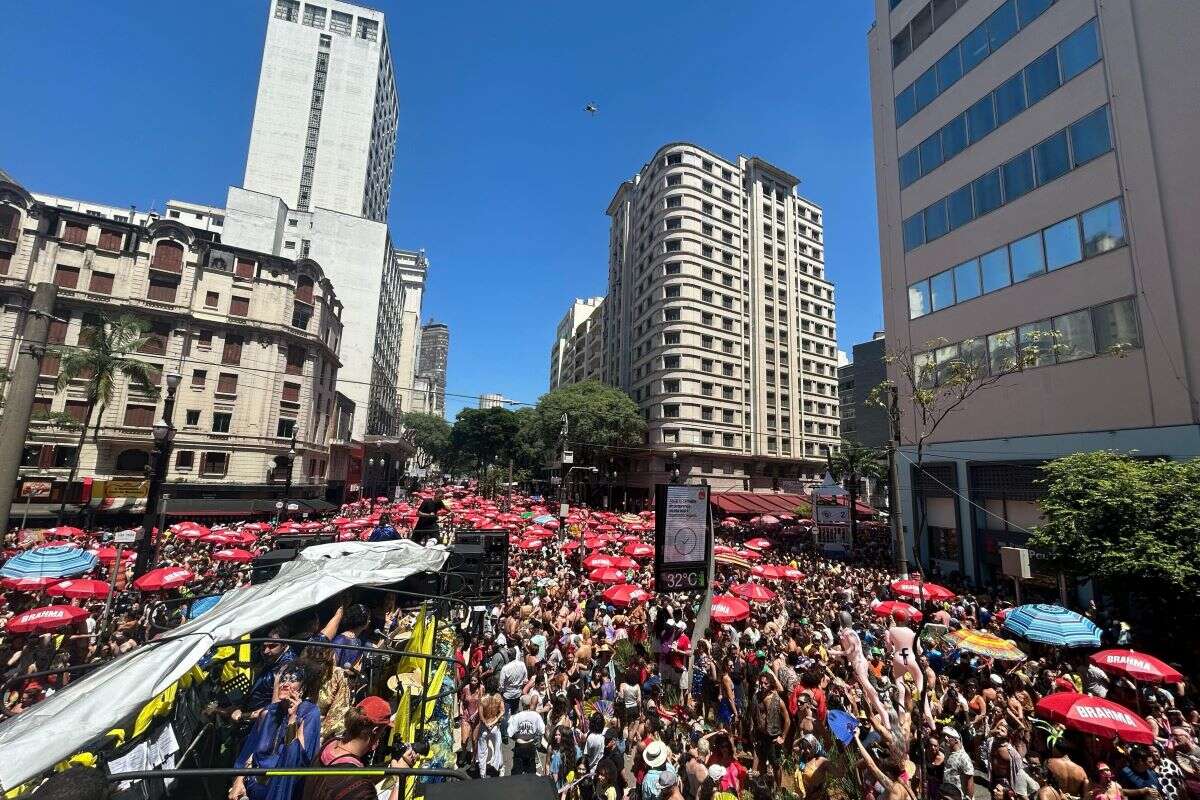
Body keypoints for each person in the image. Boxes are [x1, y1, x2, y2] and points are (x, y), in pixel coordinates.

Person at [230, 662, 322, 800]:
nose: (285, 684)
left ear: (303, 687)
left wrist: (292, 718)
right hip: (253, 787)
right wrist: (239, 781)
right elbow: (251, 752)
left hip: (282, 789)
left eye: (293, 680)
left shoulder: (309, 713)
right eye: (283, 679)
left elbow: (296, 758)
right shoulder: (270, 712)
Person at [301, 697, 414, 800]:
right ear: (375, 731)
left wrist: (390, 766)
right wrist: (400, 778)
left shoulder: (330, 744)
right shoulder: (358, 788)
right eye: (382, 732)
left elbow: (356, 771)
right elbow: (354, 779)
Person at [508, 693, 546, 776]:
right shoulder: (536, 715)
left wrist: (518, 737)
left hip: (520, 745)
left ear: (522, 704)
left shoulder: (517, 716)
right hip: (531, 745)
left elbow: (510, 733)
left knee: (517, 771)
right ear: (530, 704)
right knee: (531, 770)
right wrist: (533, 735)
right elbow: (542, 730)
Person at [473, 694, 504, 778]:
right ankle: (501, 769)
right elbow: (502, 711)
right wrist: (495, 721)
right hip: (494, 727)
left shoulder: (482, 699)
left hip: (484, 727)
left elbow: (481, 715)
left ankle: (482, 773)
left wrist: (486, 724)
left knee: (482, 751)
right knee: (498, 749)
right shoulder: (498, 697)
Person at [941, 727, 976, 800]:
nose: (945, 738)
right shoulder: (948, 751)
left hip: (959, 796)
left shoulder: (963, 757)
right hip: (948, 795)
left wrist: (969, 798)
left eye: (948, 736)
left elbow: (970, 780)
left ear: (956, 740)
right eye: (944, 736)